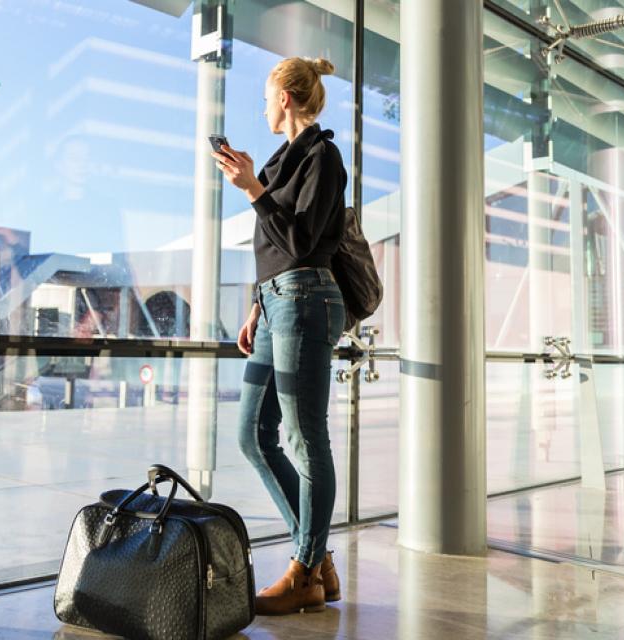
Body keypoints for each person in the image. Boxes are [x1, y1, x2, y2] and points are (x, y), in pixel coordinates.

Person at [212, 56, 347, 615]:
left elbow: (298, 239)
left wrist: (251, 189)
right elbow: (273, 247)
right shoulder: (281, 160)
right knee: (252, 434)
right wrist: (254, 304)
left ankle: (304, 571)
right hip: (275, 304)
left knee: (304, 436)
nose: (263, 107)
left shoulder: (322, 156)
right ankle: (315, 558)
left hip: (308, 300)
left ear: (286, 99)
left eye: (267, 98)